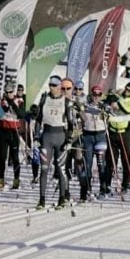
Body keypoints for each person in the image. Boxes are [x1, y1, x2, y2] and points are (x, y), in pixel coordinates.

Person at [34, 75, 74, 209]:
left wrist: (69, 140)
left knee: (61, 170)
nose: (52, 88)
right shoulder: (44, 99)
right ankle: (42, 200)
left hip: (61, 137)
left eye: (54, 86)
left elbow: (71, 122)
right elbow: (39, 120)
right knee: (44, 169)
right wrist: (36, 137)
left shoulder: (66, 101)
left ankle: (62, 198)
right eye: (50, 85)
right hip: (47, 137)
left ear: (59, 87)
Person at [0, 82, 25, 190]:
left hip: (14, 131)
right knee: (1, 157)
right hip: (3, 131)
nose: (9, 94)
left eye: (11, 92)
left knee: (15, 157)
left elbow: (21, 114)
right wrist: (5, 104)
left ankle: (16, 180)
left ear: (14, 92)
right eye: (7, 92)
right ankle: (1, 180)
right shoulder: (2, 101)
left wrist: (12, 104)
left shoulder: (19, 100)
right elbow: (0, 112)